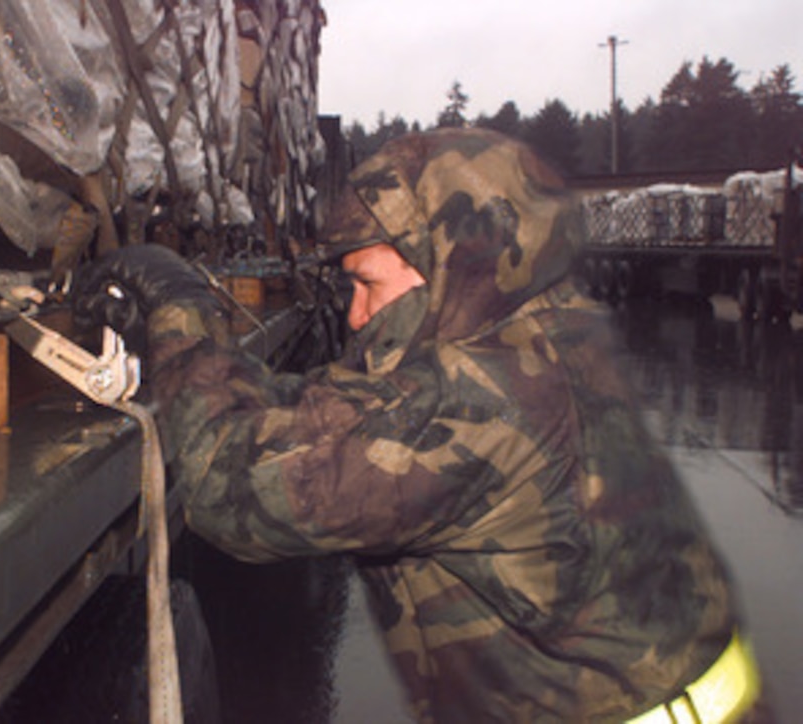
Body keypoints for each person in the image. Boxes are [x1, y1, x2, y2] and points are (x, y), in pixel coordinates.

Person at [74, 128, 764, 722]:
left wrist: (182, 320)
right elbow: (330, 405)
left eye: (367, 285)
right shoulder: (529, 334)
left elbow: (231, 497)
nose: (353, 315)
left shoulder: (483, 402)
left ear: (449, 267)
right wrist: (222, 364)